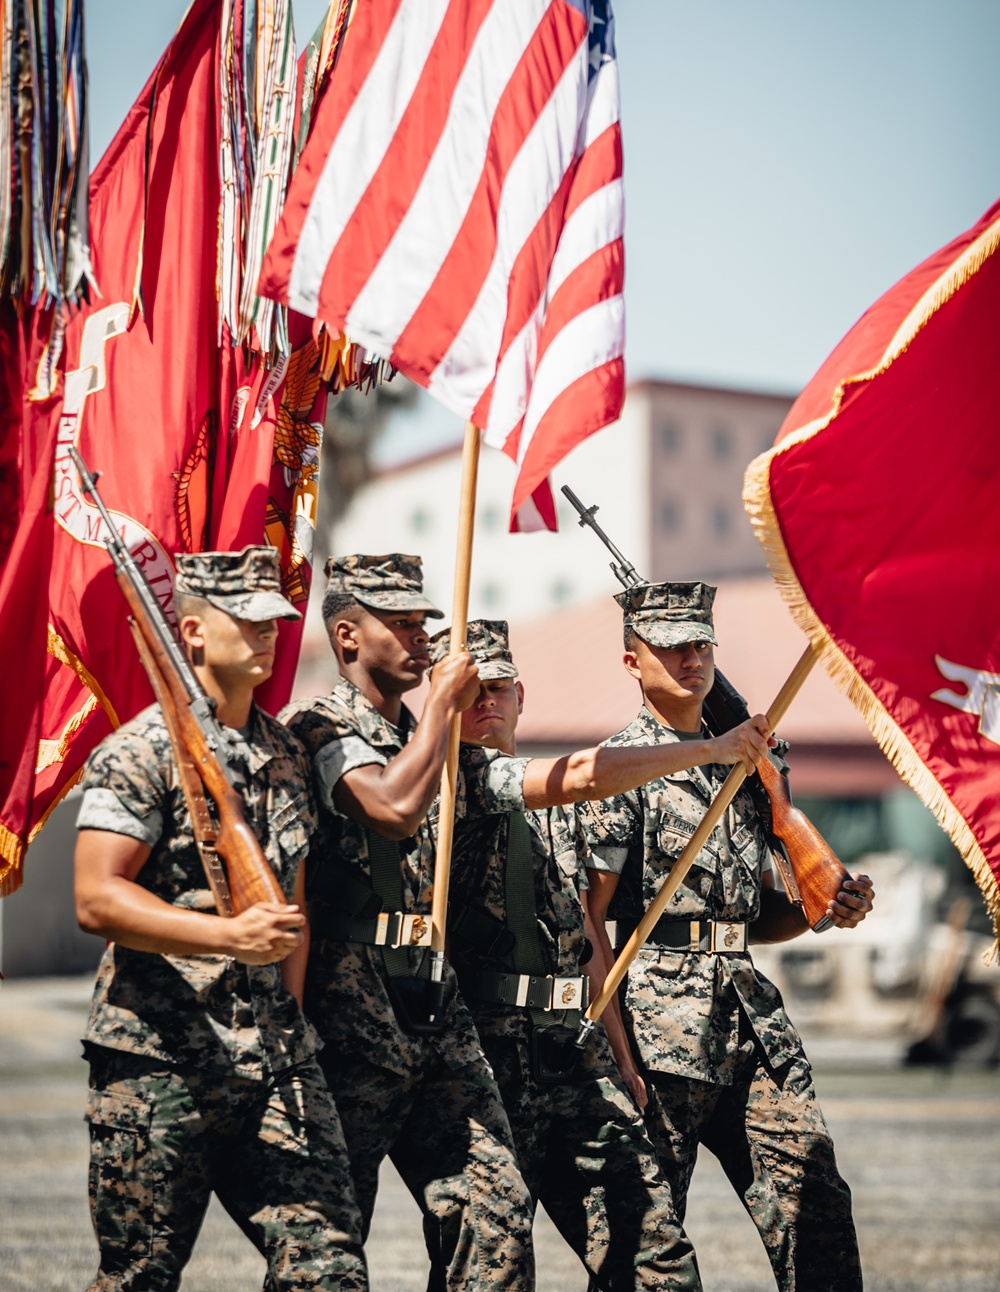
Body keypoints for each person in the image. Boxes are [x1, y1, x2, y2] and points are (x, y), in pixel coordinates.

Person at [281, 553, 769, 1290]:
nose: (420, 638)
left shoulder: (457, 758)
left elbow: (573, 778)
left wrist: (709, 749)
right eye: (403, 624)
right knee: (322, 1255)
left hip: (442, 1020)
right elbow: (389, 807)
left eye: (425, 624)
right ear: (346, 636)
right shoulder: (322, 725)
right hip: (353, 1018)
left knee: (499, 1230)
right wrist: (442, 716)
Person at [74, 546, 368, 1292]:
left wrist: (292, 1023)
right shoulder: (139, 752)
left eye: (276, 620)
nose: (269, 634)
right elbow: (96, 898)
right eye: (250, 621)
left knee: (329, 1269)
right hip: (160, 1058)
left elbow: (291, 900)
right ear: (196, 632)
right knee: (140, 1275)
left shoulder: (287, 753)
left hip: (276, 1062)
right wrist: (225, 938)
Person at [581, 581, 874, 1292]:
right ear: (632, 663)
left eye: (701, 644)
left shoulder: (748, 765)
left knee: (816, 1207)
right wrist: (615, 1049)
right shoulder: (621, 767)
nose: (690, 658)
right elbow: (590, 922)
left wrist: (820, 905)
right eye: (670, 646)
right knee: (649, 1237)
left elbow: (751, 916)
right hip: (658, 1028)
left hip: (748, 1017)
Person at [430, 618, 701, 1291]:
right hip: (484, 1052)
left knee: (654, 1250)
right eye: (467, 693)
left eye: (496, 688)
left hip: (572, 1050)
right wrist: (711, 749)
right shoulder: (443, 788)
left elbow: (586, 935)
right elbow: (582, 776)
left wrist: (624, 1058)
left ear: (521, 693)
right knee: (491, 1261)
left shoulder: (555, 806)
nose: (485, 703)